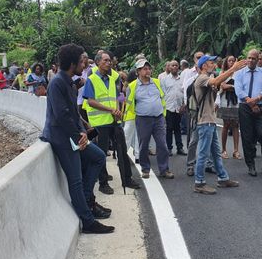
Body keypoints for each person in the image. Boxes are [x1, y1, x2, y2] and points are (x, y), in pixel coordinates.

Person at [41, 43, 113, 234]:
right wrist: (78, 136)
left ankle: (87, 198)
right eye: (82, 61)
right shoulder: (57, 83)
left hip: (73, 135)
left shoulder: (69, 82)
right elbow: (62, 115)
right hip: (61, 138)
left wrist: (84, 128)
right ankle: (88, 221)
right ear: (73, 63)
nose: (85, 64)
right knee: (75, 180)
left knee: (98, 157)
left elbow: (73, 112)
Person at [83, 51, 140, 194]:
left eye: (110, 61)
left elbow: (119, 96)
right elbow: (90, 101)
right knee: (102, 153)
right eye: (106, 60)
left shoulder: (113, 79)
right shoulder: (92, 79)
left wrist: (120, 109)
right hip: (100, 122)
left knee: (122, 149)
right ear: (98, 63)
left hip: (114, 120)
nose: (109, 63)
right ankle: (103, 183)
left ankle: (127, 179)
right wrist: (110, 110)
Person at [192, 55, 247, 194]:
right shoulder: (202, 78)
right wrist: (233, 69)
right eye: (211, 63)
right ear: (204, 66)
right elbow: (216, 81)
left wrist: (231, 72)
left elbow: (218, 83)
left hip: (210, 122)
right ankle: (199, 183)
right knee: (204, 154)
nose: (214, 64)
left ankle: (223, 178)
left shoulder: (208, 78)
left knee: (216, 153)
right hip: (205, 122)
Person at [126, 59, 174, 179]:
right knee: (143, 145)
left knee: (162, 144)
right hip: (143, 119)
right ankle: (145, 169)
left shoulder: (157, 82)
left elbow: (163, 97)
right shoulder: (132, 86)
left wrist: (163, 115)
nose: (148, 71)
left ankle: (164, 169)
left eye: (149, 68)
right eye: (144, 69)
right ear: (138, 71)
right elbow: (128, 103)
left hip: (158, 118)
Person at [234, 49, 262, 177]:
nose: (250, 60)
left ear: (258, 60)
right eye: (249, 58)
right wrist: (250, 102)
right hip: (245, 107)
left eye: (253, 58)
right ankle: (250, 165)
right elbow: (238, 90)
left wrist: (256, 101)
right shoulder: (239, 73)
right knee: (247, 137)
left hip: (261, 107)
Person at [217, 55, 241, 160]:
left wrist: (230, 87)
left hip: (236, 101)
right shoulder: (223, 73)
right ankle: (223, 150)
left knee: (236, 125)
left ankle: (236, 150)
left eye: (233, 60)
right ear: (226, 62)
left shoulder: (239, 73)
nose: (231, 62)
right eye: (229, 60)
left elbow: (240, 87)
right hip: (225, 101)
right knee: (226, 125)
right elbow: (223, 86)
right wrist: (232, 87)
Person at [161, 60, 186, 156]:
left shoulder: (182, 79)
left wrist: (184, 105)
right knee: (169, 128)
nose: (174, 67)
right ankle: (169, 148)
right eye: (172, 65)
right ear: (169, 67)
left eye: (176, 65)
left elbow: (184, 93)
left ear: (178, 67)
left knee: (178, 128)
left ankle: (180, 148)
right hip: (169, 107)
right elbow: (162, 94)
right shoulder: (165, 80)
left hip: (179, 107)